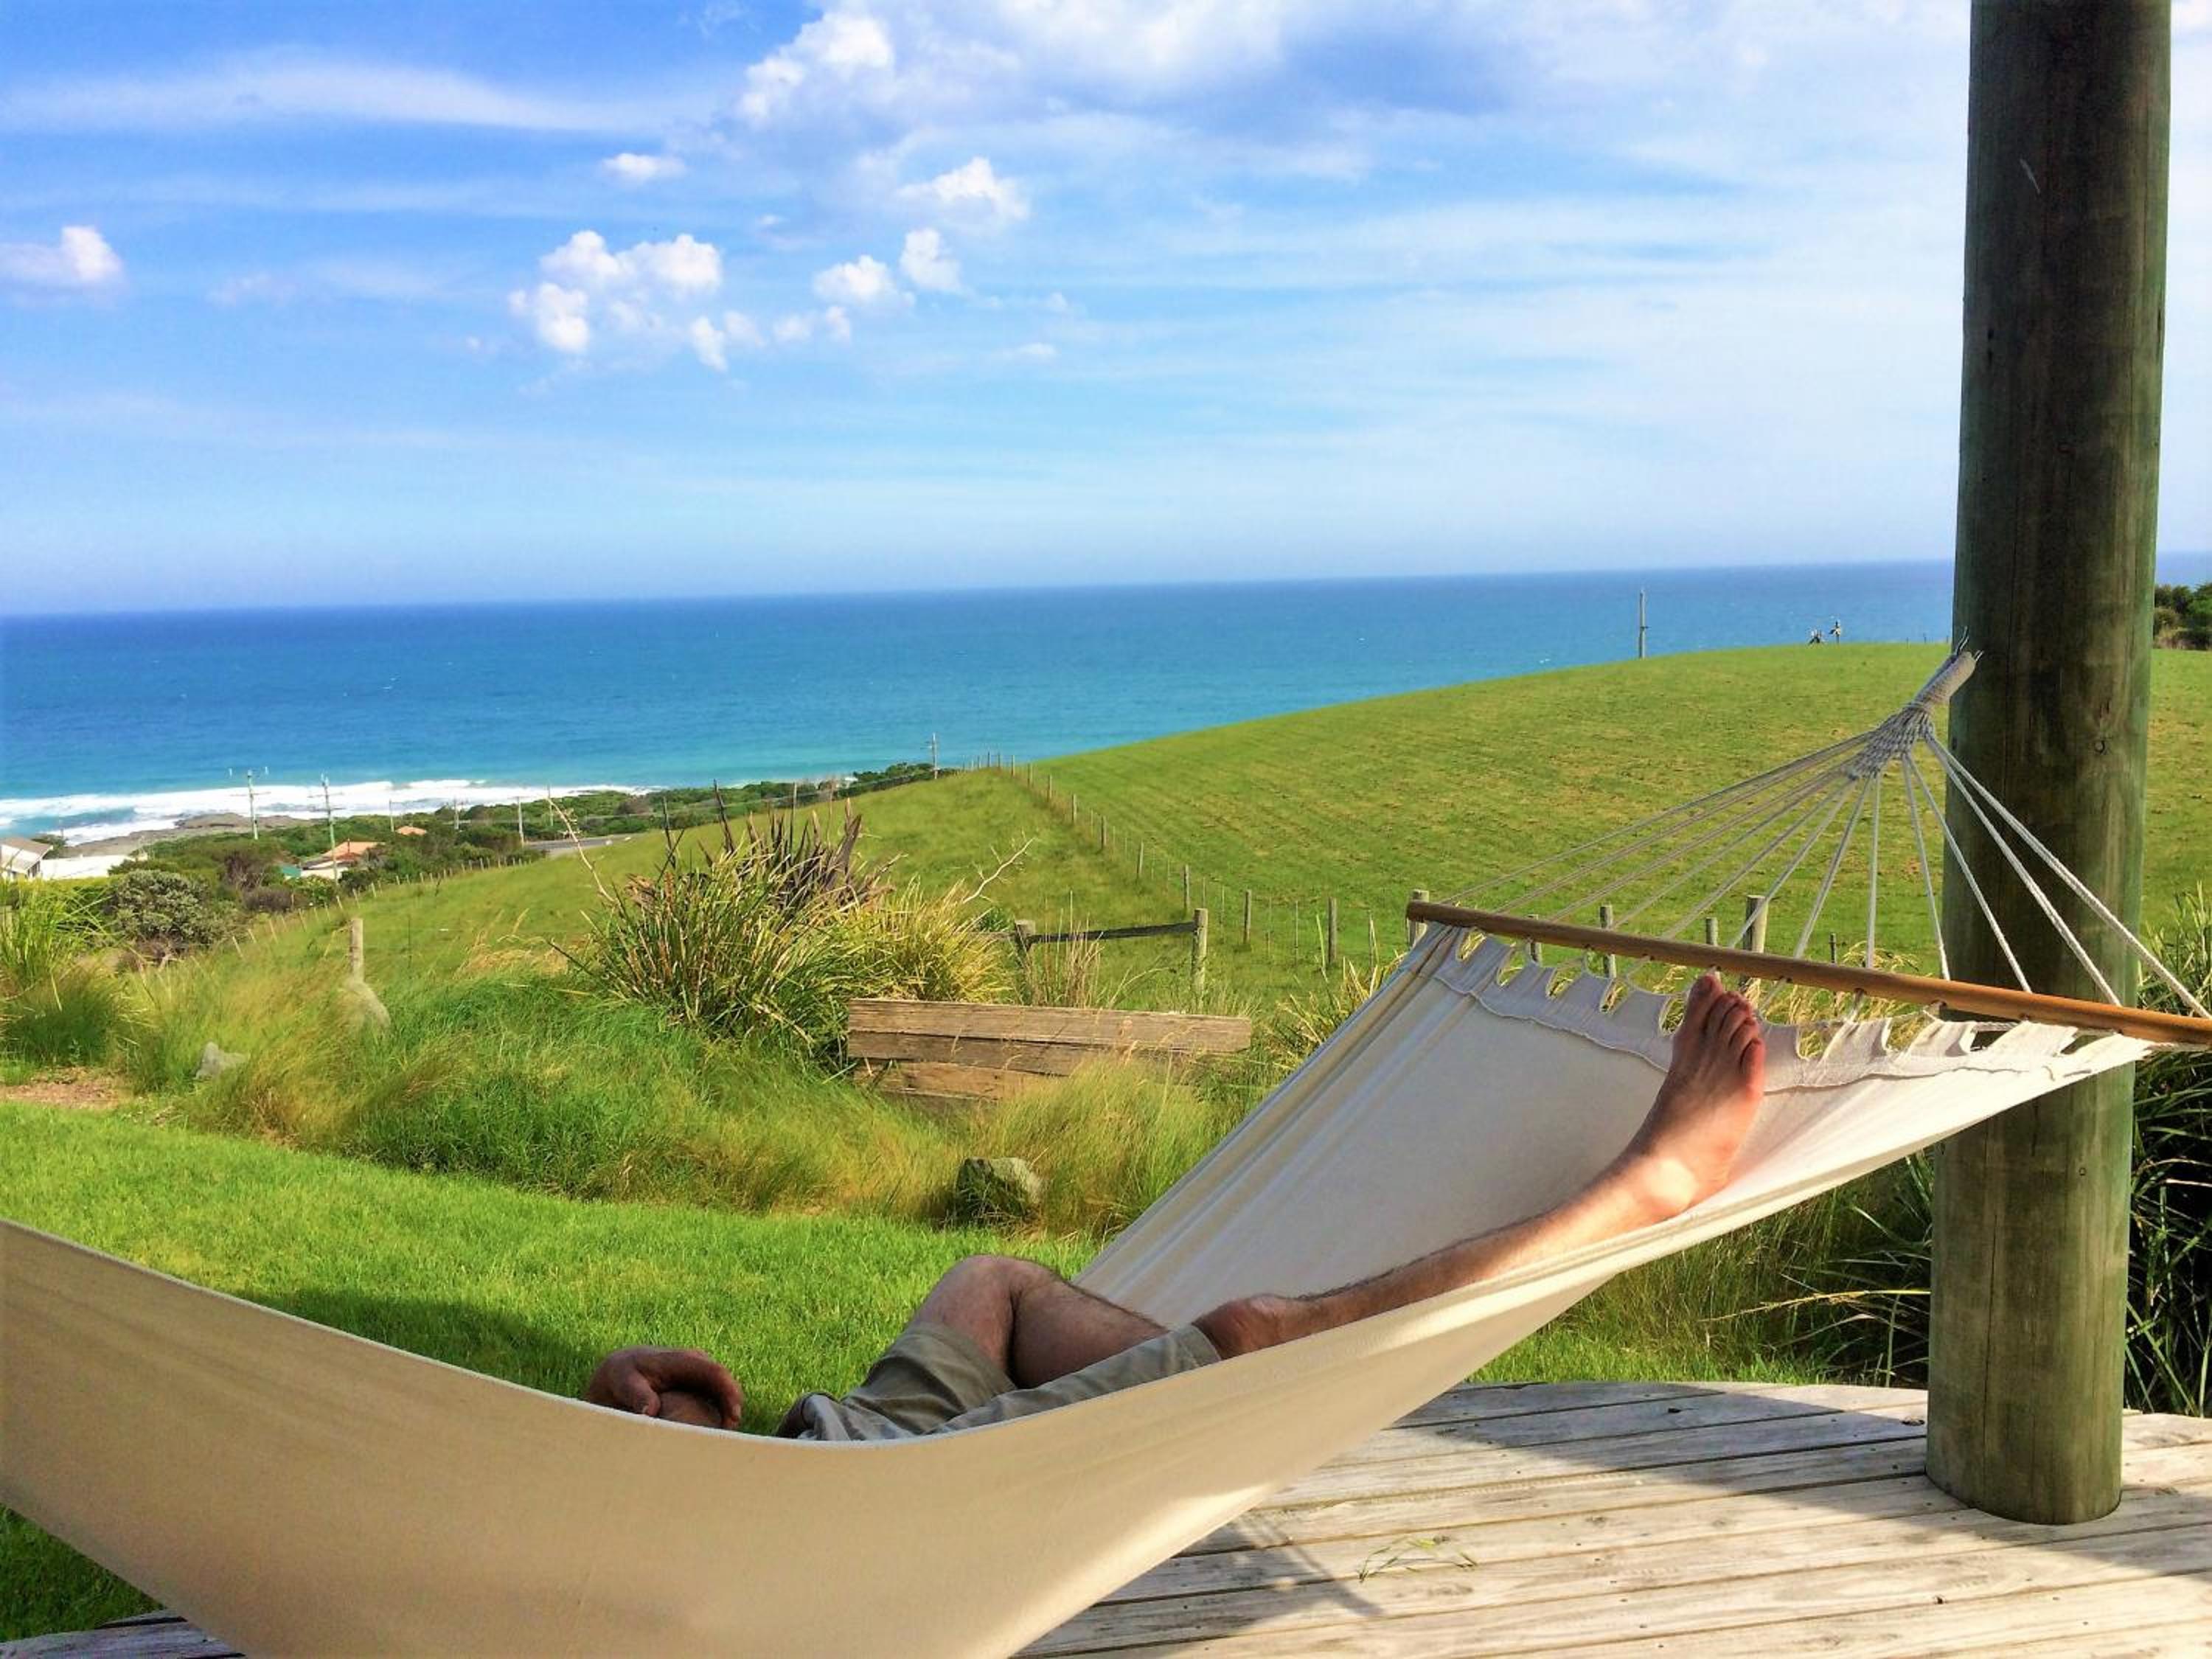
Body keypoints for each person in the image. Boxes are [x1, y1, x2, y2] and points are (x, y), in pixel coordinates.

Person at [584, 973, 1768, 1441]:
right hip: (882, 1500)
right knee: (1255, 1335)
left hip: (826, 1443)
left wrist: (634, 1421)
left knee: (990, 1281)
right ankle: (1644, 1185)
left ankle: (1206, 1415)